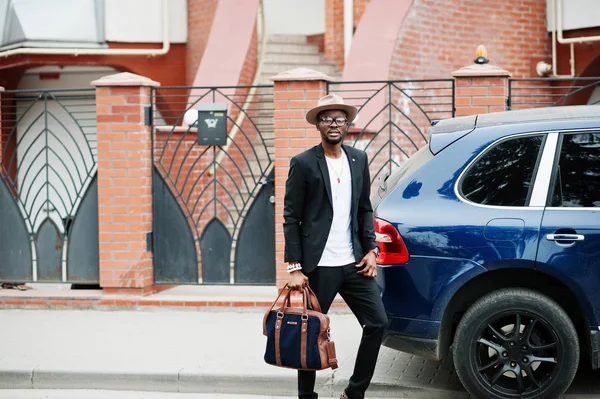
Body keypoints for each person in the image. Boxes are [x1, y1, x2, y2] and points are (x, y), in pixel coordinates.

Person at [283, 93, 388, 399]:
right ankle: (306, 396)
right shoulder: (303, 163)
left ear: (347, 124)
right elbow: (291, 217)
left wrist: (371, 250)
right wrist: (294, 266)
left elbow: (364, 209)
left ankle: (355, 393)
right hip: (319, 266)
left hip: (354, 262)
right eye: (327, 118)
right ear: (318, 124)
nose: (333, 124)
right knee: (309, 331)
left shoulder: (358, 159)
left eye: (339, 119)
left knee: (378, 324)